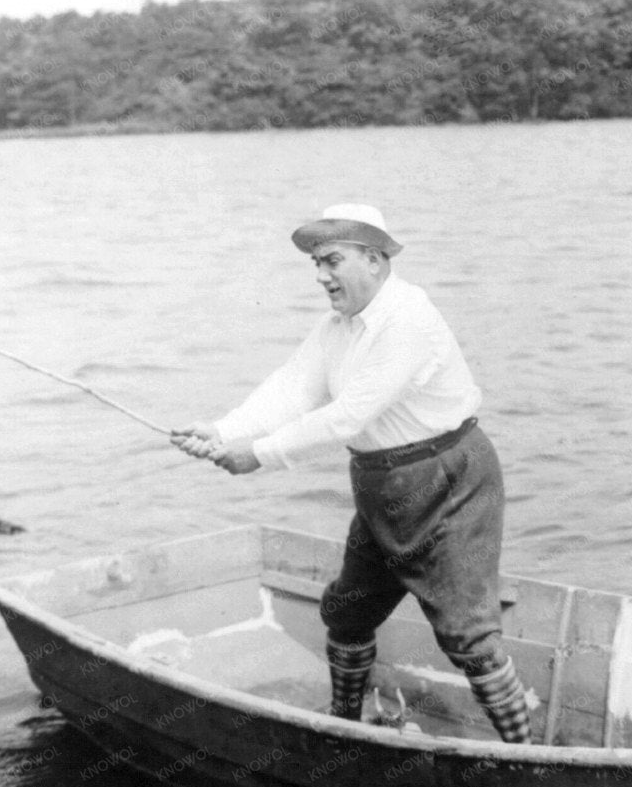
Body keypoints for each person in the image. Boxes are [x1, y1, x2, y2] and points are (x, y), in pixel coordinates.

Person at [171, 203, 537, 745]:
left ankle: (524, 754)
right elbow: (292, 388)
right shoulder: (335, 328)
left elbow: (350, 413)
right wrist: (223, 431)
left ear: (374, 258)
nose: (320, 275)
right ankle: (344, 726)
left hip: (450, 482)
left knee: (467, 635)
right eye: (316, 263)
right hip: (383, 487)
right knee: (345, 610)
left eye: (331, 261)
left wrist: (261, 455)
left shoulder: (410, 318)